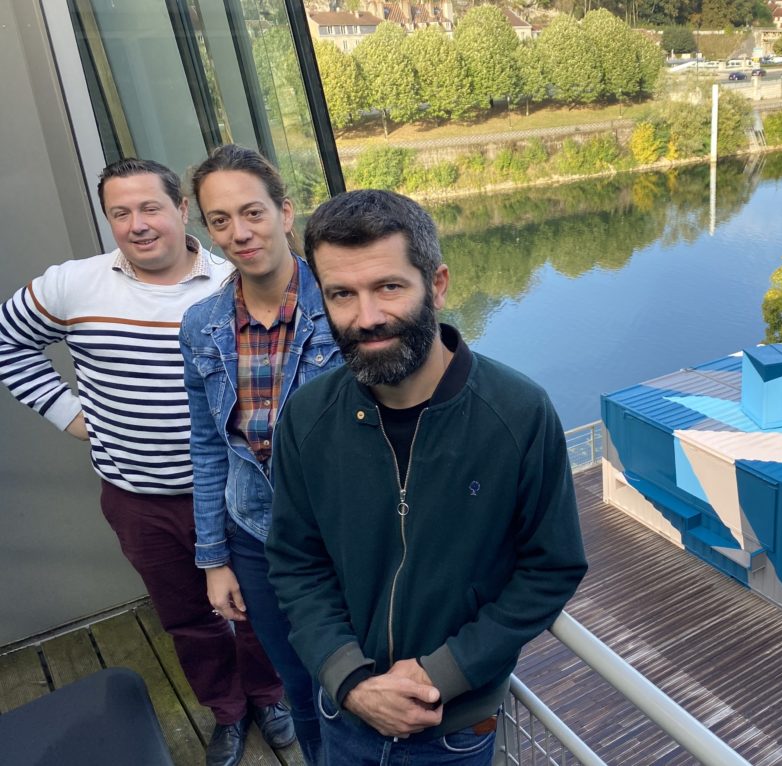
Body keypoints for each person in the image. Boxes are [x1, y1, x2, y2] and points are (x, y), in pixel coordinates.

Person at [264, 190, 588, 764]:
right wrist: (351, 678)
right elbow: (296, 562)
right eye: (342, 294)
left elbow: (550, 568)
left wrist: (445, 670)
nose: (367, 318)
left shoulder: (518, 415)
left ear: (436, 284)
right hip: (345, 712)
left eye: (389, 287)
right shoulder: (307, 419)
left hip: (454, 727)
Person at [0, 158, 289, 766]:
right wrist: (72, 417)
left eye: (150, 207)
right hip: (139, 500)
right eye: (120, 212)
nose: (137, 224)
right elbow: (8, 343)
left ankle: (270, 696)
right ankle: (228, 712)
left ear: (181, 210)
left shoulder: (229, 280)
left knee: (262, 609)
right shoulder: (72, 285)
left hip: (239, 494)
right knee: (188, 617)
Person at [180, 144, 341, 766]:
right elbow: (208, 444)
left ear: (285, 211)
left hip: (343, 536)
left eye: (252, 213)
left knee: (357, 674)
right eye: (220, 220)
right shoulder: (203, 325)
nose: (238, 233)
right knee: (299, 684)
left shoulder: (341, 304)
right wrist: (215, 558)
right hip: (257, 538)